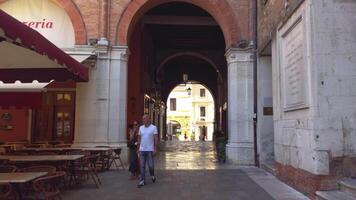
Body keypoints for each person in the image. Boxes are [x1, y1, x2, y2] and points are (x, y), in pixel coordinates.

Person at [137, 114, 158, 188]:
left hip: (150, 150)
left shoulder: (153, 128)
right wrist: (138, 149)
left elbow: (156, 138)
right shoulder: (141, 128)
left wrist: (155, 148)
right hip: (142, 150)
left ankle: (152, 175)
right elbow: (139, 139)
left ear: (149, 119)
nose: (143, 120)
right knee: (142, 166)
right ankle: (142, 180)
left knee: (151, 166)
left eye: (145, 118)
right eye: (143, 119)